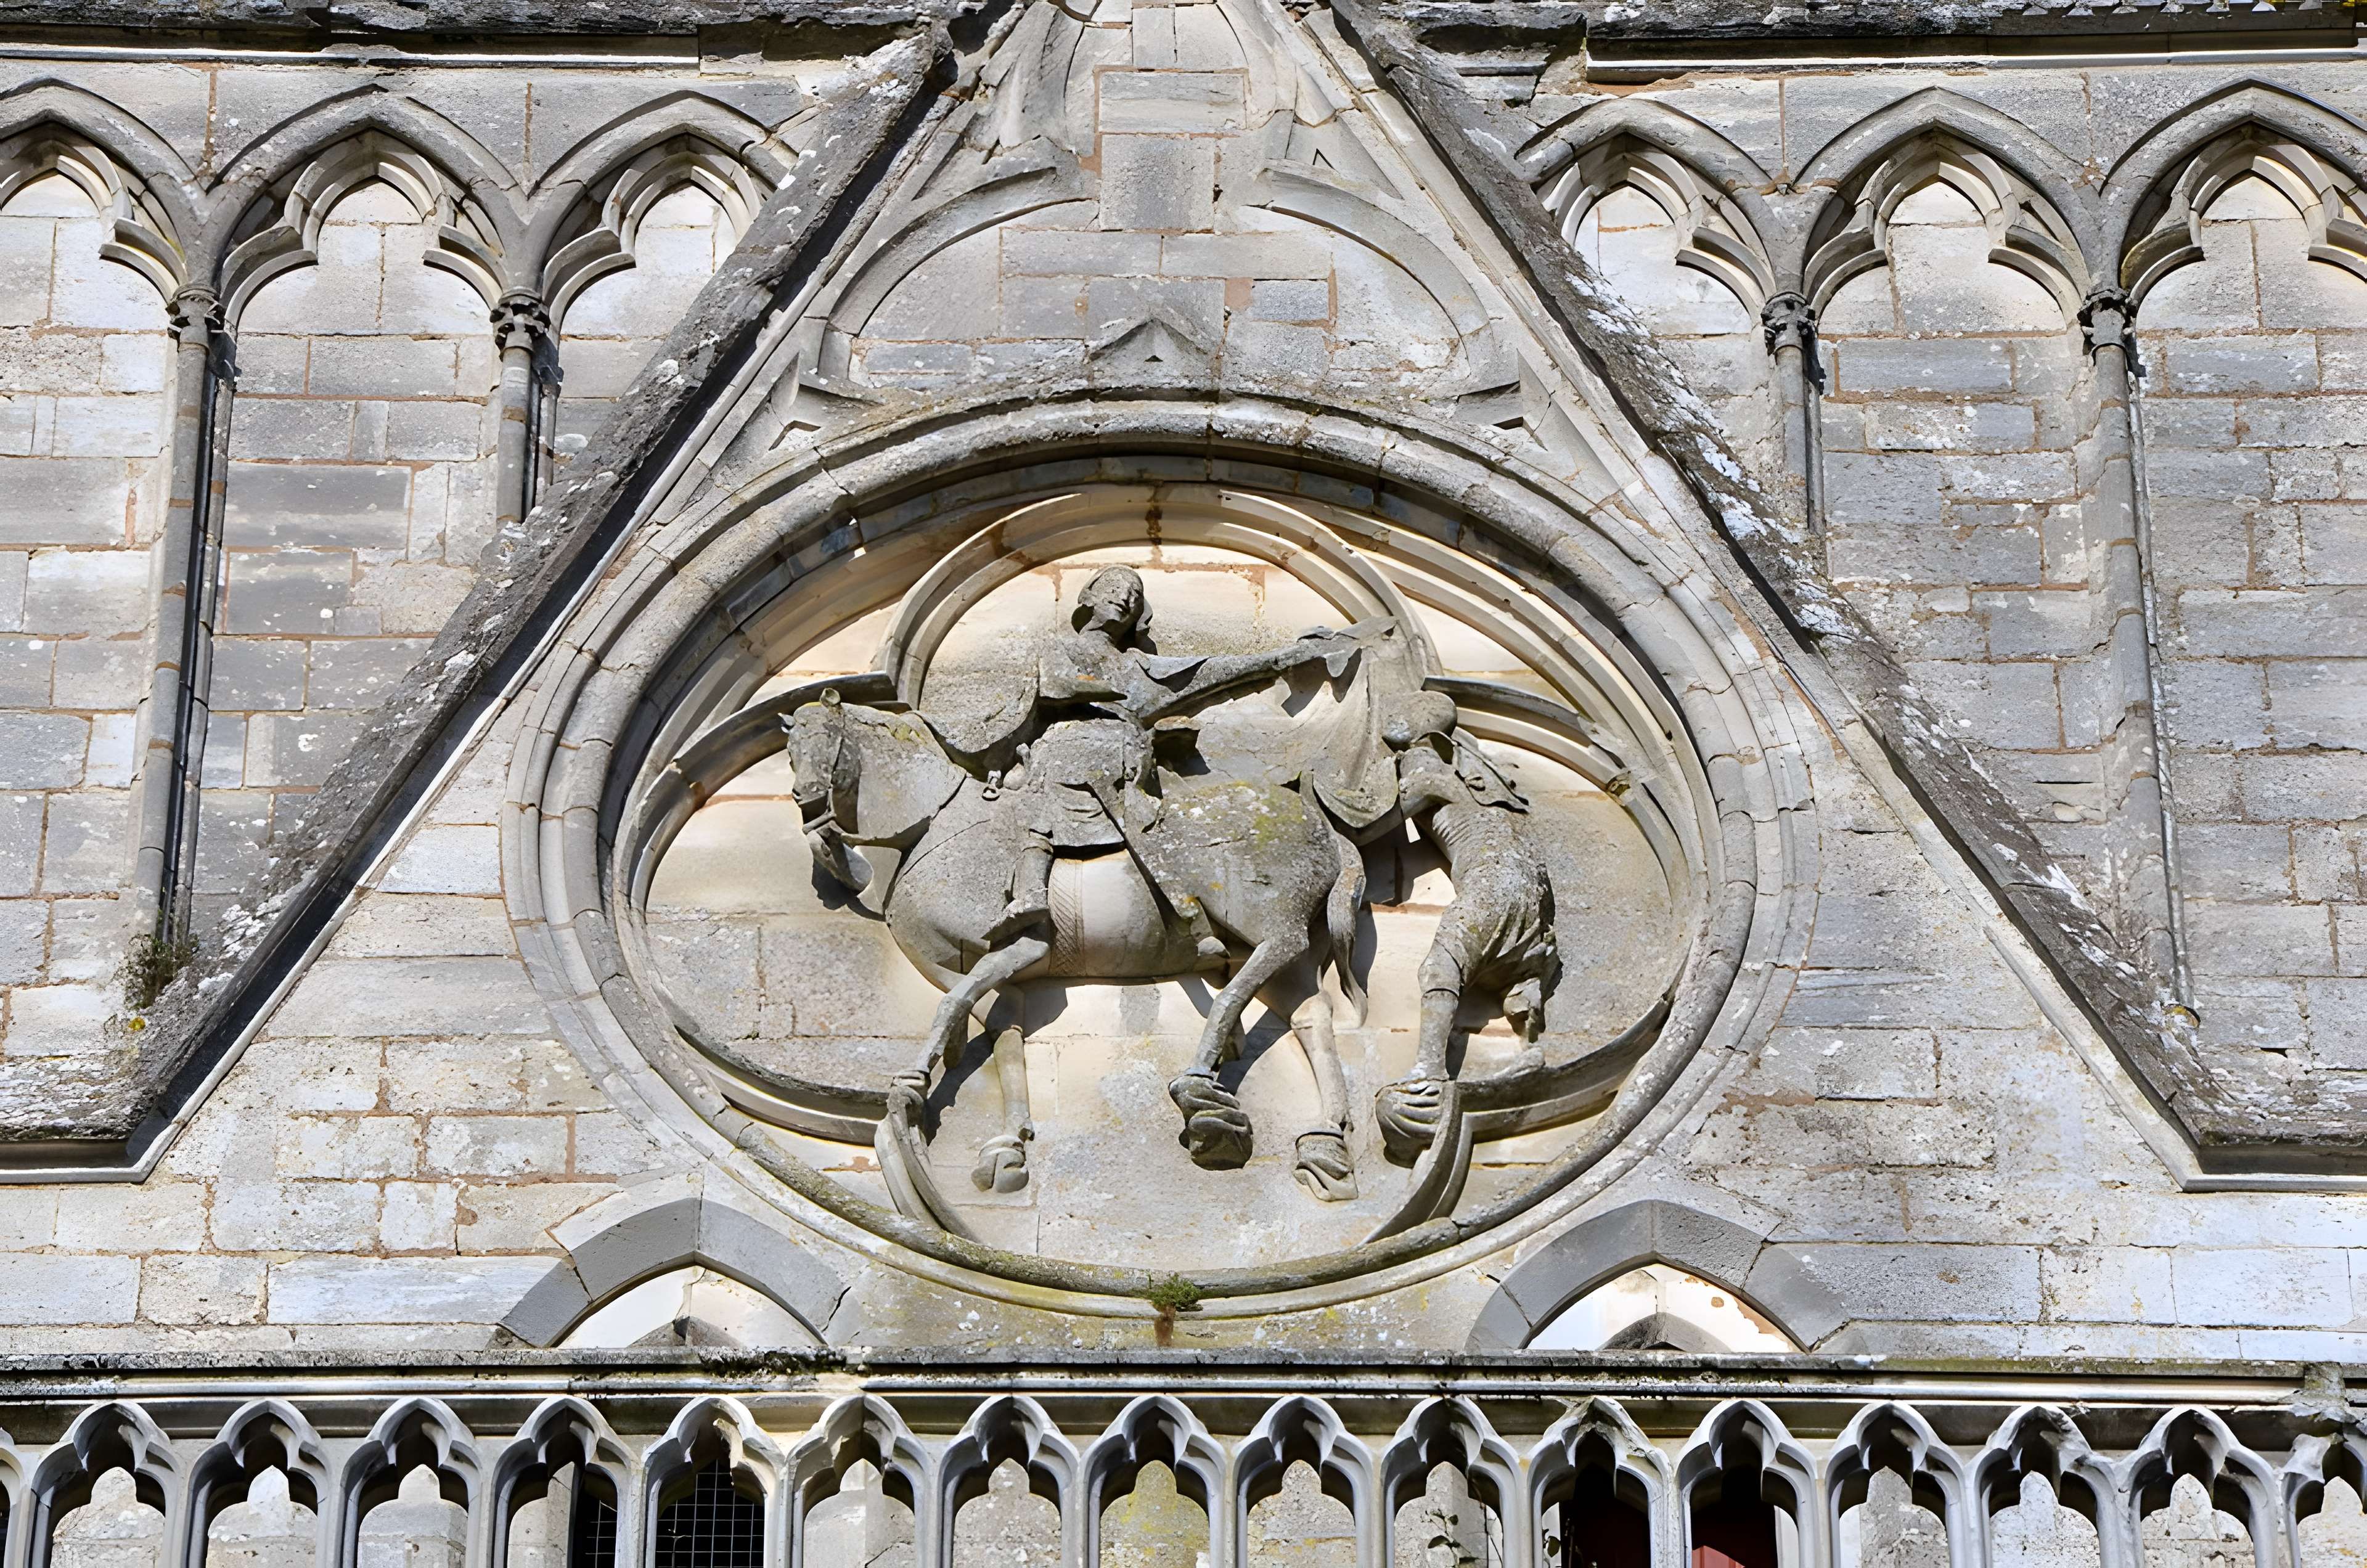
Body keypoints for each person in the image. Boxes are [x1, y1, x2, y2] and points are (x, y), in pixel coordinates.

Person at [991, 565, 1362, 957]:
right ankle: (1031, 893)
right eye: (1115, 587)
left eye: (1135, 594)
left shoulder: (1138, 666)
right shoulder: (1061, 647)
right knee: (1037, 814)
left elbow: (1209, 671)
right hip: (1068, 751)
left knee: (1161, 826)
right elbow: (1055, 685)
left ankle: (1193, 917)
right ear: (1087, 597)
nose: (1126, 597)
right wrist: (1119, 691)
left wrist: (1285, 656)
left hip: (1125, 759)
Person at [1376, 690, 1559, 1161]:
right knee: (1518, 964)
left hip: (1494, 881)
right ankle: (1528, 1049)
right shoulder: (1486, 784)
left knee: (1442, 966)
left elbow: (1374, 821)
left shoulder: (1428, 770)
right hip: (1530, 889)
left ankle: (1429, 1073)